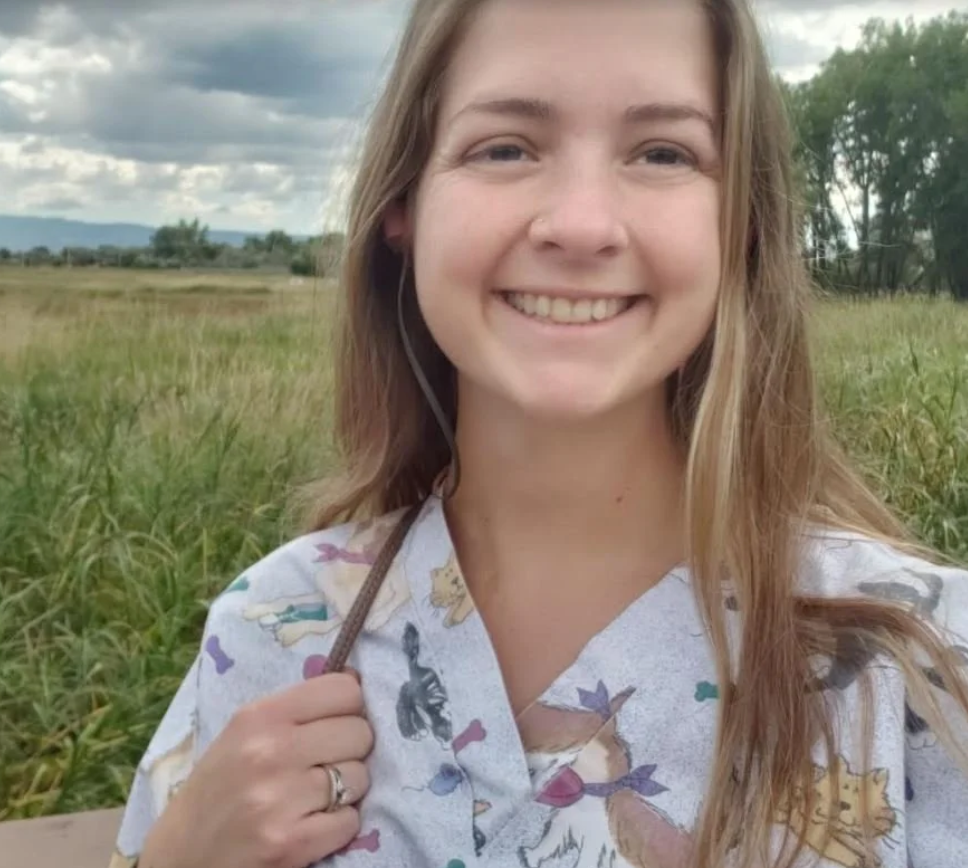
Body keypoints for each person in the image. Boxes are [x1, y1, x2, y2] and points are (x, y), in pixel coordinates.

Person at [108, 1, 968, 866]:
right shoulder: (273, 631)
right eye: (506, 147)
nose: (582, 225)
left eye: (663, 152)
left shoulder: (921, 673)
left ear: (739, 223)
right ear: (403, 204)